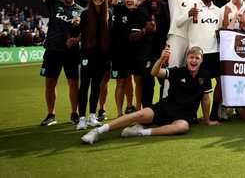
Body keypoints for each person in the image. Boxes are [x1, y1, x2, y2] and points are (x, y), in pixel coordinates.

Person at [81, 46, 219, 144]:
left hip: (183, 116)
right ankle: (98, 132)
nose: (194, 60)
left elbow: (206, 99)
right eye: (191, 57)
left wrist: (206, 120)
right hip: (164, 108)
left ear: (201, 60)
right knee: (138, 115)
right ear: (187, 59)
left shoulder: (205, 75)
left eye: (197, 58)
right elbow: (154, 73)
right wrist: (161, 59)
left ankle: (140, 132)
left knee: (183, 127)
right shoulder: (178, 71)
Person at [20, 0, 83, 126]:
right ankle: (51, 114)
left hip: (72, 52)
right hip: (53, 50)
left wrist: (77, 40)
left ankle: (74, 113)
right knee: (50, 83)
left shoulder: (82, 11)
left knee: (74, 84)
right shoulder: (54, 4)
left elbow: (87, 33)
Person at [179, 0, 223, 121]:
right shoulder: (194, 6)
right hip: (198, 55)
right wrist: (188, 15)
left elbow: (221, 31)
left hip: (215, 53)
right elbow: (178, 23)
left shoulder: (218, 11)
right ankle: (191, 115)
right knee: (196, 87)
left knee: (221, 83)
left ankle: (214, 112)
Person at [75, 0, 111, 130]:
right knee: (84, 86)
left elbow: (109, 36)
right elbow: (78, 33)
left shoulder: (108, 14)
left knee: (96, 86)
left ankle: (92, 116)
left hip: (101, 57)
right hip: (86, 55)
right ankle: (82, 118)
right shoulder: (84, 14)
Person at [111, 0, 151, 116]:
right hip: (120, 53)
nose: (129, 0)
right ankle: (119, 113)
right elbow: (114, 2)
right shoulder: (119, 10)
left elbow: (147, 2)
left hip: (137, 54)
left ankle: (138, 109)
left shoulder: (140, 12)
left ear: (136, 0)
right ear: (124, 0)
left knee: (138, 81)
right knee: (121, 82)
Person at [138, 0, 170, 106]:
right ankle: (147, 109)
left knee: (165, 82)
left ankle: (163, 107)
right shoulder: (143, 9)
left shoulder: (167, 10)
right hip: (147, 54)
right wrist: (146, 29)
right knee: (147, 83)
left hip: (162, 53)